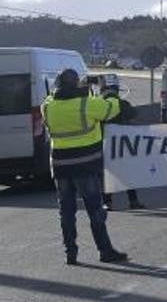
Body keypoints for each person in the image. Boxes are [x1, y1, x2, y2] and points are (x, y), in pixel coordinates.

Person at [42, 69, 128, 265]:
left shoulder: (48, 107)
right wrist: (105, 89)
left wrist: (77, 87)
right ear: (76, 84)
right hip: (85, 166)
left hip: (61, 167)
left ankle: (70, 253)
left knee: (66, 211)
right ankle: (105, 251)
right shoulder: (87, 103)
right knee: (95, 209)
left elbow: (49, 98)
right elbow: (112, 108)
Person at [101, 83, 145, 211]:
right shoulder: (123, 104)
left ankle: (107, 202)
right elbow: (134, 113)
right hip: (123, 146)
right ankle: (133, 201)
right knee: (127, 174)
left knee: (107, 175)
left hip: (106, 146)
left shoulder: (100, 105)